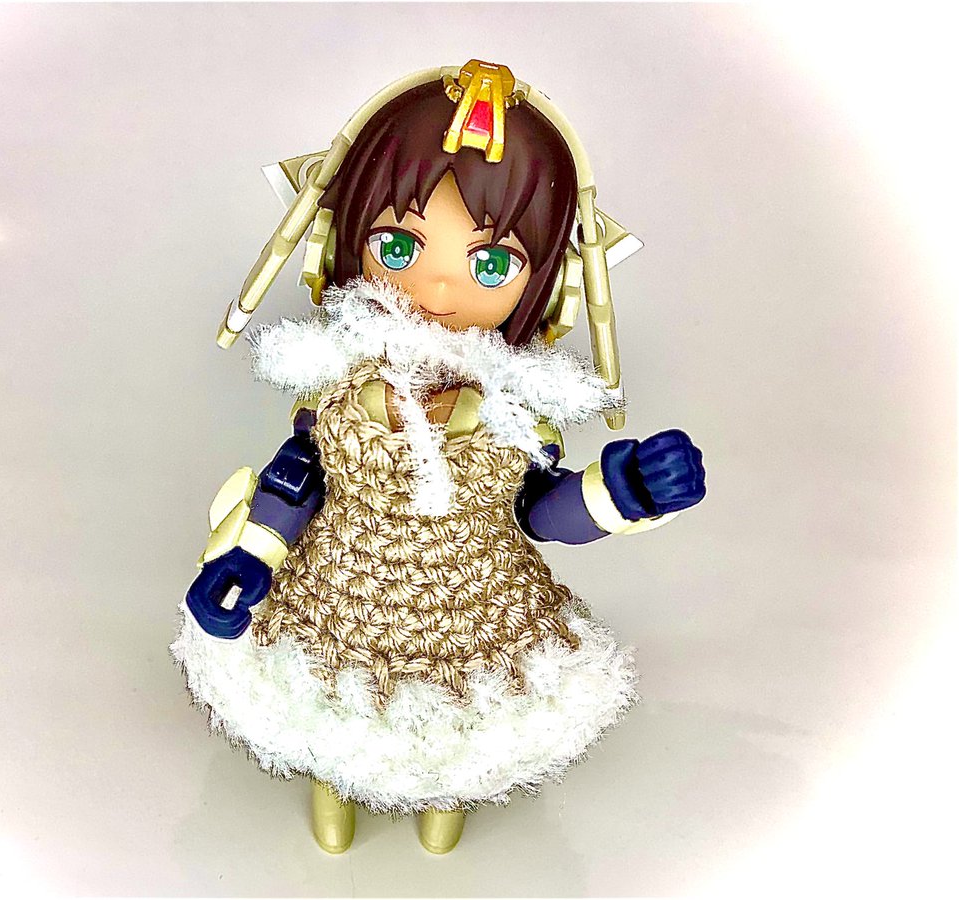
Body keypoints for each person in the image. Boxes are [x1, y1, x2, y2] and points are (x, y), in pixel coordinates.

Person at [171, 60, 706, 854]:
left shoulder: (513, 415)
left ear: (547, 284)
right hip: (339, 591)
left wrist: (619, 491)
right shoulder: (340, 391)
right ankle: (333, 785)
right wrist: (250, 556)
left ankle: (445, 798)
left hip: (475, 604)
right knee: (325, 706)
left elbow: (540, 513)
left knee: (459, 730)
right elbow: (296, 479)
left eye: (491, 264)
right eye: (398, 244)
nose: (440, 287)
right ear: (341, 241)